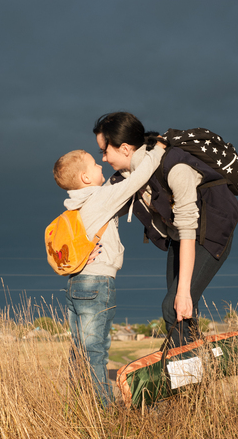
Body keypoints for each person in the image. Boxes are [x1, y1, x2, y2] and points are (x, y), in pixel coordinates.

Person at [93, 112, 238, 348]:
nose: (102, 159)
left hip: (207, 231)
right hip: (178, 236)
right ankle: (198, 372)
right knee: (182, 312)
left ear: (124, 148)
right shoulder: (126, 177)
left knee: (175, 305)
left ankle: (185, 375)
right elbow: (100, 205)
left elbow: (189, 229)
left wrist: (183, 293)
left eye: (104, 151)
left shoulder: (175, 167)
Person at [53, 142, 165, 406]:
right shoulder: (100, 198)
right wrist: (157, 150)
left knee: (80, 350)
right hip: (96, 283)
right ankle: (104, 409)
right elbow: (138, 179)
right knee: (95, 352)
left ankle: (81, 405)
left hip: (76, 284)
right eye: (94, 164)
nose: (100, 164)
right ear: (85, 178)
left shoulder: (76, 206)